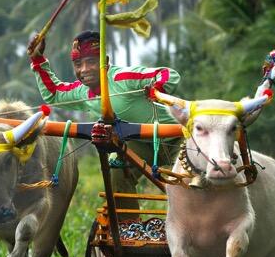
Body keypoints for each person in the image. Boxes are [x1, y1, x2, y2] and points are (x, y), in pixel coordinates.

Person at [27, 30, 181, 216]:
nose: (84, 69)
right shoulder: (81, 92)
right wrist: (37, 59)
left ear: (105, 62)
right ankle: (127, 226)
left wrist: (156, 89)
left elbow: (167, 74)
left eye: (91, 61)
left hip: (175, 139)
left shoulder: (122, 78)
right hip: (139, 144)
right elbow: (54, 94)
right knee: (115, 165)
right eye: (78, 64)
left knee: (189, 178)